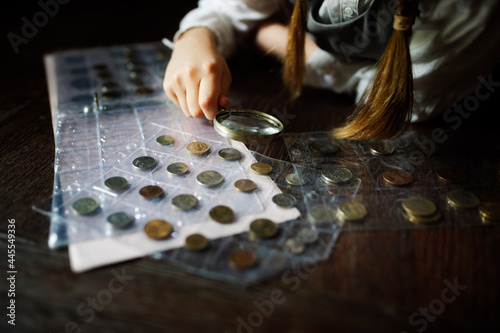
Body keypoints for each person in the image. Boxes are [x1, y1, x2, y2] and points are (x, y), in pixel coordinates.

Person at [163, 0, 500, 140]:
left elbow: (417, 97)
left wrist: (262, 34)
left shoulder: (466, 8)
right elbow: (228, 10)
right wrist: (196, 36)